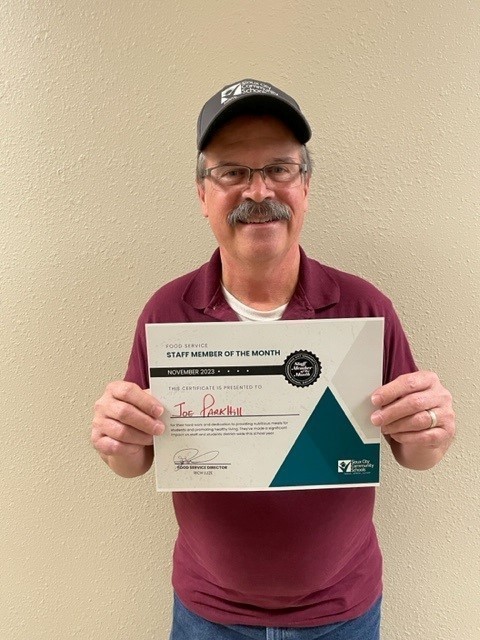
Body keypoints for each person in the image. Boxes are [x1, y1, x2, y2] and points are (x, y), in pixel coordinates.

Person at [91, 79, 456, 639]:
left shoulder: (364, 308)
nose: (258, 190)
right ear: (202, 194)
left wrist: (430, 430)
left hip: (342, 611)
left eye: (279, 169)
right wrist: (117, 441)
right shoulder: (168, 312)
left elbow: (414, 453)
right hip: (208, 613)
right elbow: (136, 459)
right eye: (231, 172)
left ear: (305, 185)